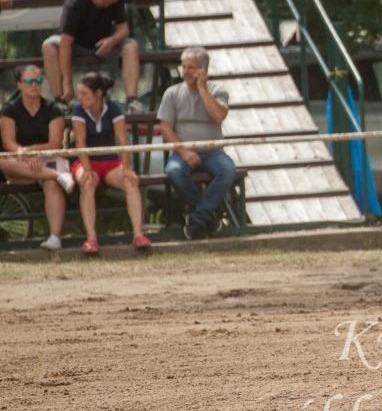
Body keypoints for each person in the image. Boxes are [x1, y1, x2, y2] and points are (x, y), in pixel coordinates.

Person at [157, 47, 234, 239]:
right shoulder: (172, 93)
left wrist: (202, 89)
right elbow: (166, 128)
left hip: (213, 151)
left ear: (203, 69)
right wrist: (184, 152)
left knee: (227, 170)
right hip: (182, 151)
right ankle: (208, 217)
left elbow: (219, 116)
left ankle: (197, 217)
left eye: (191, 68)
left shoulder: (218, 91)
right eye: (183, 67)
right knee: (174, 171)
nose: (185, 71)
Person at [71, 71, 151, 255]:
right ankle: (91, 238)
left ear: (98, 94)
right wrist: (87, 170)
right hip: (86, 161)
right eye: (79, 93)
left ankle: (138, 235)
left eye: (84, 94)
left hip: (110, 162)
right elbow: (80, 142)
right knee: (87, 182)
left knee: (130, 181)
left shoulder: (113, 108)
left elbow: (123, 140)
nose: (79, 98)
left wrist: (126, 169)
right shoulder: (78, 109)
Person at [0, 65, 76, 251]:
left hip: (46, 157)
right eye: (29, 81)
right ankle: (57, 175)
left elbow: (55, 143)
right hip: (21, 164)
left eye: (38, 81)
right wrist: (25, 155)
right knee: (2, 161)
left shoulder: (53, 109)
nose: (34, 85)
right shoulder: (9, 110)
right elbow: (9, 142)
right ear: (19, 84)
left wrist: (33, 152)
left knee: (51, 184)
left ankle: (55, 237)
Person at [41, 0, 142, 113]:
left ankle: (132, 101)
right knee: (48, 46)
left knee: (131, 46)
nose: (107, 6)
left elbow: (124, 29)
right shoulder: (76, 1)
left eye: (110, 3)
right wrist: (67, 83)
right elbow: (65, 43)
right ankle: (59, 101)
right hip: (75, 45)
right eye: (105, 1)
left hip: (103, 44)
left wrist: (111, 41)